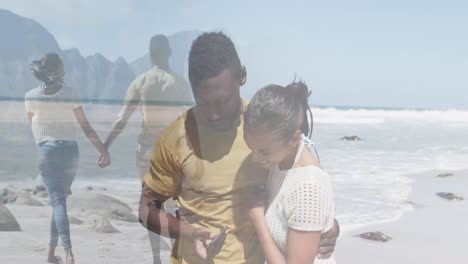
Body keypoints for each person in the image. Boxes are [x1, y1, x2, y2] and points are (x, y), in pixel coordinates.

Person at [138, 32, 339, 264]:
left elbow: (303, 186)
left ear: (242, 76)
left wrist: (329, 226)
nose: (214, 114)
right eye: (203, 102)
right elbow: (146, 211)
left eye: (223, 101)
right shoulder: (175, 137)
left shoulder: (266, 128)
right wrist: (190, 232)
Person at [102, 34, 191, 264]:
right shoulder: (180, 83)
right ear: (169, 53)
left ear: (151, 55)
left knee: (151, 207)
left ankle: (155, 259)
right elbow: (190, 121)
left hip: (147, 152)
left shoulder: (141, 81)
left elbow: (122, 117)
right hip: (173, 152)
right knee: (173, 206)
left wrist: (105, 146)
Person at [25, 53, 110, 264]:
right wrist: (103, 150)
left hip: (47, 152)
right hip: (70, 152)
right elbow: (86, 126)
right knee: (59, 201)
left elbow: (33, 125)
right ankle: (51, 254)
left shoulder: (30, 96)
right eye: (62, 68)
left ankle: (69, 253)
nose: (65, 72)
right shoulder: (71, 93)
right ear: (55, 71)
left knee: (58, 201)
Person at [244, 81, 336, 263]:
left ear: (294, 138)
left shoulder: (309, 186)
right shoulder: (280, 162)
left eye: (264, 151)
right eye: (250, 148)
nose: (254, 158)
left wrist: (257, 218)